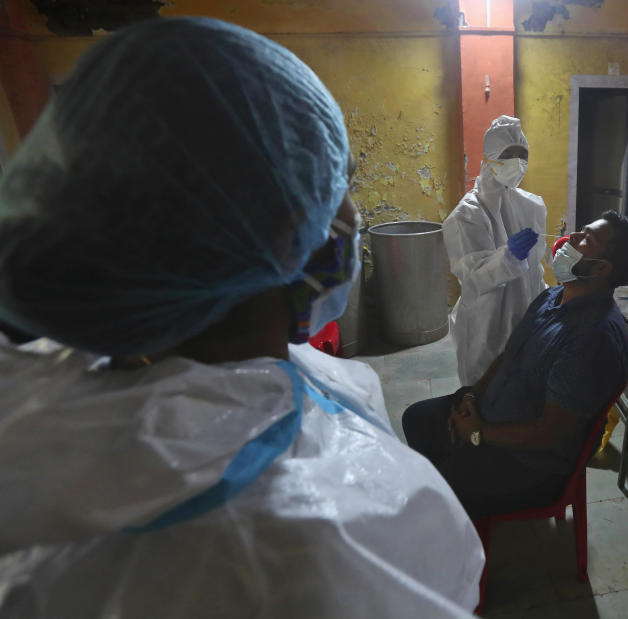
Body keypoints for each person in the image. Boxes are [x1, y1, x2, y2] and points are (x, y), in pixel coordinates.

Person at [0, 18, 482, 618]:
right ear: (281, 233)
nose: (350, 210)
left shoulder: (47, 408)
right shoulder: (315, 553)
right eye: (337, 181)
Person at [402, 211, 628, 518]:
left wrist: (478, 433)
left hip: (528, 463)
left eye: (586, 239)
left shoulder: (592, 338)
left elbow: (552, 434)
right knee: (417, 419)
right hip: (492, 418)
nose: (571, 237)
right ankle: (457, 493)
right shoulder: (554, 297)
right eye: (581, 230)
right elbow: (510, 355)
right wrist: (471, 397)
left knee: (428, 498)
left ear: (600, 268)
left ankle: (457, 520)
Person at [443, 115, 547, 386]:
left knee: (521, 387)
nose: (517, 161)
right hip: (486, 321)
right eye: (508, 153)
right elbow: (473, 278)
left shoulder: (532, 206)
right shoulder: (465, 216)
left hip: (525, 315)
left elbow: (536, 269)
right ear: (490, 157)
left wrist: (544, 299)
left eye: (522, 153)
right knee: (484, 388)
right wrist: (508, 257)